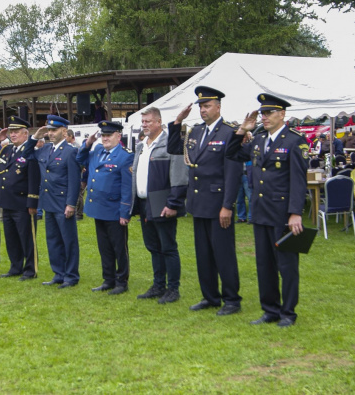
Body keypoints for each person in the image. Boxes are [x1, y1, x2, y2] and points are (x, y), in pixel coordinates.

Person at [226, 93, 310, 327]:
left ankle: (288, 313)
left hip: (282, 212)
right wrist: (242, 129)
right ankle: (270, 310)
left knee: (287, 265)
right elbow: (232, 154)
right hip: (261, 210)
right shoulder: (259, 139)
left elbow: (298, 180)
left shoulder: (295, 141)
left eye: (270, 112)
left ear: (282, 114)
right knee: (264, 265)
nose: (265, 117)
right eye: (263, 113)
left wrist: (295, 212)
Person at [173, 86, 243, 316]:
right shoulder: (195, 131)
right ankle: (210, 296)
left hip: (218, 202)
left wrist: (227, 205)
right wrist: (177, 122)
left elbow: (233, 173)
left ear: (218, 107)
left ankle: (232, 300)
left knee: (223, 254)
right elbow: (174, 148)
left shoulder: (230, 132)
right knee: (203, 254)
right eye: (201, 106)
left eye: (207, 106)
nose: (203, 110)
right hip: (198, 201)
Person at [131, 107, 188, 304]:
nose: (144, 125)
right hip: (144, 202)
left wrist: (173, 203)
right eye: (143, 121)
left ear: (158, 121)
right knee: (153, 247)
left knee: (168, 247)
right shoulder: (141, 145)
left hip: (162, 201)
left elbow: (180, 175)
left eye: (148, 121)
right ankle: (158, 285)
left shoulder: (170, 143)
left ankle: (173, 289)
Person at [24, 115, 81, 289]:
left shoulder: (70, 151)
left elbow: (74, 180)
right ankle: (59, 273)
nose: (50, 133)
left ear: (64, 131)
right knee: (53, 240)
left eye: (54, 130)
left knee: (68, 240)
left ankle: (71, 275)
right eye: (49, 130)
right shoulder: (44, 149)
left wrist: (71, 204)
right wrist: (35, 137)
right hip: (48, 201)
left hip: (63, 202)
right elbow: (26, 154)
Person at [77, 121, 134, 295]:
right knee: (104, 247)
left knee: (119, 247)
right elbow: (80, 159)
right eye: (103, 135)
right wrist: (88, 143)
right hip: (98, 208)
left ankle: (121, 281)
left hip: (114, 209)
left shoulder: (125, 156)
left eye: (109, 135)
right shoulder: (97, 151)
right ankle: (108, 279)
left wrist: (125, 212)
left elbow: (127, 187)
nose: (105, 138)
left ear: (118, 136)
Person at [0, 116, 40, 281]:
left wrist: (32, 202)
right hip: (7, 200)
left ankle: (30, 269)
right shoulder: (6, 150)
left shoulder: (30, 151)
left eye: (17, 132)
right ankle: (15, 266)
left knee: (26, 237)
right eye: (11, 132)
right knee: (11, 237)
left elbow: (33, 178)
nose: (13, 135)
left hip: (23, 202)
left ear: (26, 134)